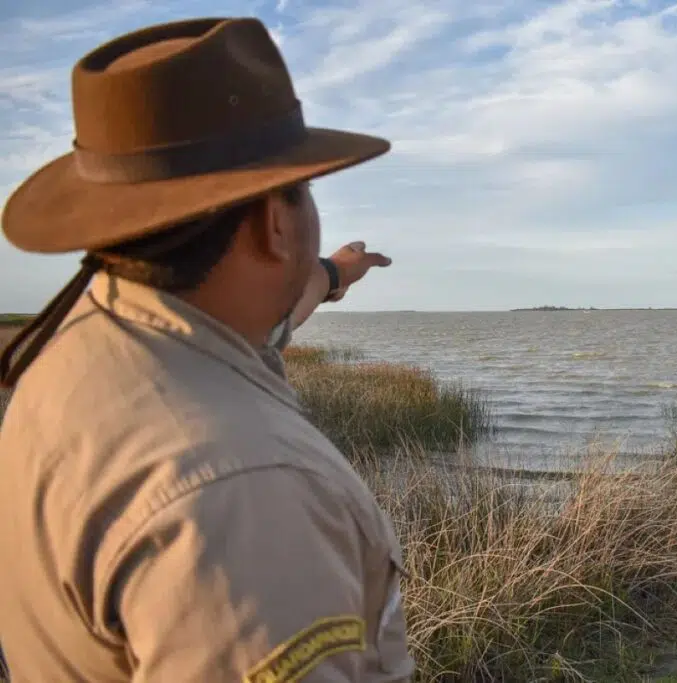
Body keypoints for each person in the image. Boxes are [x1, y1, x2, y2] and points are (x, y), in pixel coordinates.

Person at [0, 16, 415, 682]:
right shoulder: (251, 491)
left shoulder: (81, 345)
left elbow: (271, 317)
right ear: (275, 222)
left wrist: (336, 272)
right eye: (305, 189)